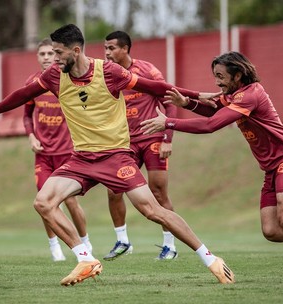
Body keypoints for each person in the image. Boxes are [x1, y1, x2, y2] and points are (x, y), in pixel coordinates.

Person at [0, 24, 235, 286]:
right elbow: (22, 94)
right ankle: (85, 259)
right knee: (43, 202)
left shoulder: (108, 72)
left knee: (153, 210)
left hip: (115, 157)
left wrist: (196, 95)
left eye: (59, 53)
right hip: (80, 160)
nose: (54, 59)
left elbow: (154, 86)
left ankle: (210, 258)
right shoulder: (53, 76)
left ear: (75, 50)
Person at [140, 51, 283, 284]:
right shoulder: (235, 95)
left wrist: (169, 122)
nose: (217, 82)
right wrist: (188, 103)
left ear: (238, 74)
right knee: (272, 231)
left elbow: (212, 124)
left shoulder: (250, 95)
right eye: (215, 76)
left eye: (221, 76)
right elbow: (214, 110)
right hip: (271, 168)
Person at [103, 30, 178, 261]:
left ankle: (170, 246)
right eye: (105, 49)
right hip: (124, 142)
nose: (107, 53)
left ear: (125, 49)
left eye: (111, 48)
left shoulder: (148, 71)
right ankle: (123, 241)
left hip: (153, 138)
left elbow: (171, 102)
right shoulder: (105, 75)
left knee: (158, 192)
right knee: (114, 190)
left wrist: (168, 138)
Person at [23, 38, 92, 261]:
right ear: (37, 57)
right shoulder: (32, 83)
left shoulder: (67, 79)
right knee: (44, 200)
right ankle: (55, 247)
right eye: (41, 54)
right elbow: (26, 115)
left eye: (49, 54)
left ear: (56, 55)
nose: (45, 57)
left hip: (67, 153)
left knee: (71, 201)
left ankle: (85, 241)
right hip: (43, 154)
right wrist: (31, 136)